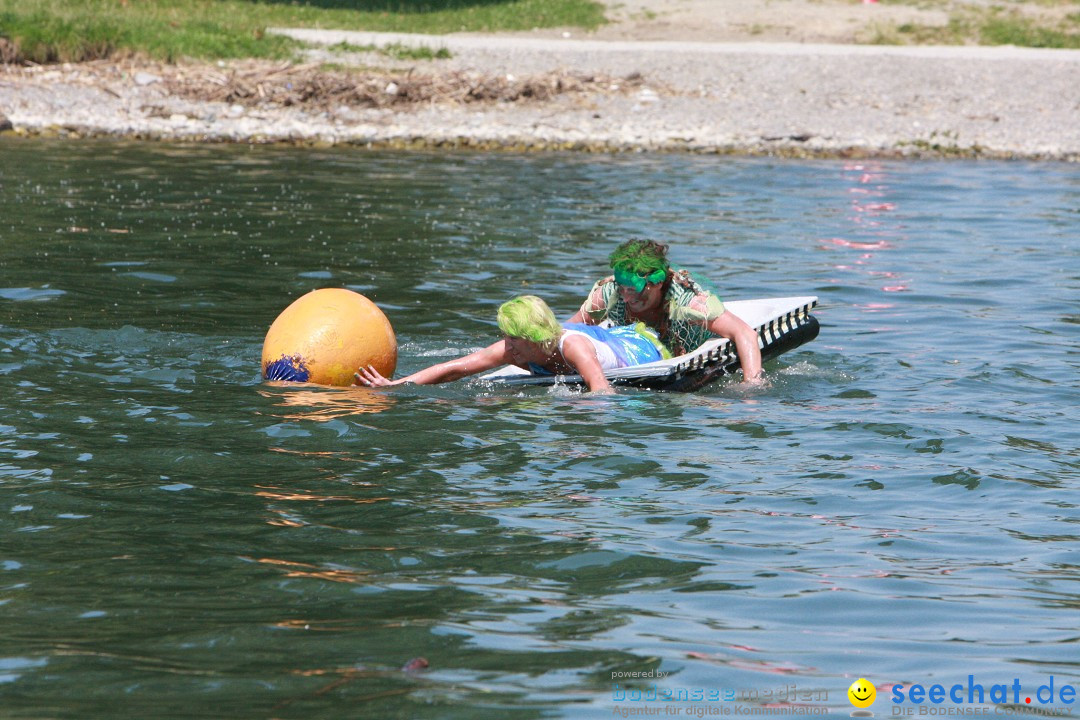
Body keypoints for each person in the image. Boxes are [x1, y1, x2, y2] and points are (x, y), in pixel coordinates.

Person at [354, 295, 670, 394]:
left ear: (535, 339)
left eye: (513, 338)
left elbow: (602, 391)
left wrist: (575, 411)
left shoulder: (573, 347)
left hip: (637, 348)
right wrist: (396, 384)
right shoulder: (514, 350)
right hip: (595, 339)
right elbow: (453, 369)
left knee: (613, 335)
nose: (507, 345)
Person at [566, 239, 764, 384]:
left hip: (689, 354)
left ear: (657, 283)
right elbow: (572, 329)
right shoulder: (608, 293)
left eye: (633, 289)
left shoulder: (689, 301)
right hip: (640, 357)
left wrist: (751, 386)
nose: (625, 297)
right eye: (622, 288)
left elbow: (744, 333)